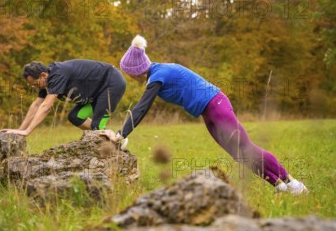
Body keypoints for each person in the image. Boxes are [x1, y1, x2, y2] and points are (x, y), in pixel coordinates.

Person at [104, 36, 309, 195]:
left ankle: (295, 184)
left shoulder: (158, 76)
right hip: (208, 112)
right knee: (239, 155)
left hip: (216, 105)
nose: (128, 77)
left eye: (127, 72)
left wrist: (121, 134)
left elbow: (141, 107)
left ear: (135, 70)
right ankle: (280, 187)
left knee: (246, 147)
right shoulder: (157, 73)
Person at [1, 59, 126, 137]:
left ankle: (113, 146)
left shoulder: (57, 75)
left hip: (111, 83)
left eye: (36, 84)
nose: (36, 88)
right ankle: (111, 137)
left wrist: (28, 131)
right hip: (97, 92)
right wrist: (19, 131)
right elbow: (36, 105)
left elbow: (46, 107)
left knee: (97, 126)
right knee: (75, 117)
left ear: (43, 75)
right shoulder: (46, 83)